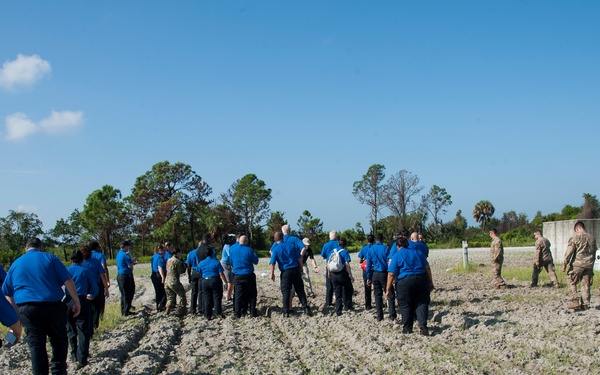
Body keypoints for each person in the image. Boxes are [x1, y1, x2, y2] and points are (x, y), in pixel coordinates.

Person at [2, 237, 81, 375]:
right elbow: (67, 280)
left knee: (36, 346)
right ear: (40, 247)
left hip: (27, 310)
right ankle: (58, 371)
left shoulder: (15, 264)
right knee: (58, 341)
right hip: (52, 307)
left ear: (26, 248)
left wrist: (17, 314)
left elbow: (8, 293)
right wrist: (76, 301)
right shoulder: (50, 258)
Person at [386, 236, 434, 335]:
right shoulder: (418, 252)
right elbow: (427, 267)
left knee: (405, 304)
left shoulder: (397, 255)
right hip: (421, 279)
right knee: (422, 302)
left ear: (398, 246)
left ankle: (407, 328)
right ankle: (423, 325)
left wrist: (388, 288)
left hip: (404, 281)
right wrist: (430, 281)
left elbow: (391, 273)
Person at [66, 249, 98, 369]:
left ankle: (73, 353)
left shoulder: (66, 270)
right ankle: (82, 358)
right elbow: (94, 288)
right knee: (84, 330)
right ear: (82, 260)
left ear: (70, 260)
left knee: (70, 329)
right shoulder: (86, 271)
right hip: (82, 300)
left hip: (68, 301)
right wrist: (92, 295)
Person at [270, 232, 312, 317]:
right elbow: (299, 258)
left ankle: (286, 311)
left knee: (286, 292)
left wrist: (272, 273)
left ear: (275, 240)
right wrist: (300, 267)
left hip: (285, 272)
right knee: (300, 290)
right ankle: (306, 307)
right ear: (283, 237)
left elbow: (272, 263)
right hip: (295, 270)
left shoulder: (276, 249)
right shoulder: (291, 246)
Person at [562, 221, 597, 310]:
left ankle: (575, 300)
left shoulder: (575, 237)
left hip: (578, 264)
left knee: (571, 280)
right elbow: (594, 251)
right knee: (585, 284)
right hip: (589, 264)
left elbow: (569, 251)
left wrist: (565, 264)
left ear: (577, 229)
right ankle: (586, 303)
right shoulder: (592, 238)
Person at [80, 246, 109, 333]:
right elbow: (102, 275)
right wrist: (106, 288)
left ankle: (87, 327)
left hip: (84, 288)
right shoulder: (95, 262)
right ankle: (94, 326)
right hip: (96, 286)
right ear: (90, 253)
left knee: (86, 308)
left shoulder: (80, 263)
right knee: (97, 307)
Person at [230, 235, 259, 318]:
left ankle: (237, 313)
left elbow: (231, 261)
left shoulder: (233, 250)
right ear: (246, 241)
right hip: (248, 274)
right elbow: (255, 261)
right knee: (252, 294)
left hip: (238, 275)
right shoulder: (249, 250)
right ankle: (252, 311)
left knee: (238, 294)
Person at [198, 248, 228, 319]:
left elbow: (198, 270)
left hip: (205, 280)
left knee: (207, 297)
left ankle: (207, 314)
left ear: (205, 254)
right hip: (215, 279)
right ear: (212, 254)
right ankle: (218, 313)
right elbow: (221, 273)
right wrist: (225, 282)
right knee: (217, 297)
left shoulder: (201, 263)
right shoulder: (216, 262)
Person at [366, 234, 390, 321]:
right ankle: (392, 313)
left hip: (375, 273)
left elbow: (368, 265)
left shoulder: (371, 250)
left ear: (375, 240)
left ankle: (380, 315)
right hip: (384, 273)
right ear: (382, 239)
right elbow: (389, 262)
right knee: (388, 292)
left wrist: (368, 277)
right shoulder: (386, 249)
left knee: (377, 295)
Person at [329, 238, 355, 316]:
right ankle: (348, 305)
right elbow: (347, 264)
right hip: (342, 274)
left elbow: (328, 262)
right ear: (345, 245)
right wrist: (351, 276)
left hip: (334, 274)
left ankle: (338, 310)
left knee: (337, 292)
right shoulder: (345, 252)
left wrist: (329, 272)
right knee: (349, 288)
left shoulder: (332, 251)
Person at [116, 239, 138, 316]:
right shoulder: (125, 255)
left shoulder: (119, 254)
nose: (128, 248)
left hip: (121, 275)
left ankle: (124, 310)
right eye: (128, 246)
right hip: (125, 276)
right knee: (128, 293)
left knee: (123, 294)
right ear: (125, 246)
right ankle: (126, 311)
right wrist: (134, 261)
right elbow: (129, 265)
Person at [89, 241, 109, 325]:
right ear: (97, 248)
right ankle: (99, 318)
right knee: (100, 302)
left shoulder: (85, 257)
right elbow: (104, 268)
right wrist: (107, 282)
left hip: (88, 283)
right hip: (98, 281)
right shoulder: (100, 256)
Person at [165, 248, 187, 315]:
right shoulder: (177, 261)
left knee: (170, 297)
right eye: (180, 253)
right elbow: (181, 271)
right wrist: (184, 265)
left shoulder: (169, 260)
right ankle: (182, 310)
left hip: (167, 281)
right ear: (178, 253)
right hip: (174, 281)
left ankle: (167, 310)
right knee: (182, 295)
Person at [320, 230, 339, 308]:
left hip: (329, 267)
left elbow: (323, 256)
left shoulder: (326, 245)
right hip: (339, 266)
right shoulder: (339, 244)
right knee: (338, 285)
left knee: (329, 285)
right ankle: (339, 300)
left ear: (329, 237)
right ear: (336, 236)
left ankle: (328, 302)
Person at [357, 235, 374, 310]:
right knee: (377, 287)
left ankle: (368, 305)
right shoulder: (375, 248)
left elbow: (359, 260)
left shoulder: (364, 248)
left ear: (367, 240)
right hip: (375, 268)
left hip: (366, 268)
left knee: (367, 287)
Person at [151, 245, 167, 311]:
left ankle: (158, 306)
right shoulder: (160, 257)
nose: (165, 252)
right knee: (164, 291)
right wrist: (163, 277)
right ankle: (162, 304)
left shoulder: (153, 256)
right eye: (164, 250)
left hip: (154, 275)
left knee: (157, 292)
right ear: (161, 250)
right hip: (159, 275)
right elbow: (160, 267)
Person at [220, 234, 235, 304]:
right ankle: (227, 298)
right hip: (226, 264)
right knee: (230, 282)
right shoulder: (227, 246)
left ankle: (228, 295)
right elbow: (231, 256)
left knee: (230, 281)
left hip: (226, 264)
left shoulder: (227, 246)